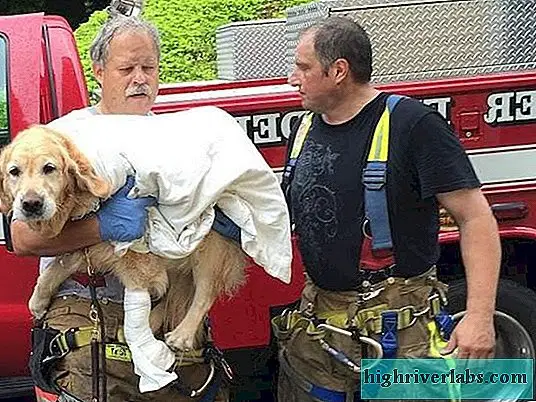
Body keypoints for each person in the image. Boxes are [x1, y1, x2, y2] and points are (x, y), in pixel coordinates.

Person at [8, 13, 234, 402]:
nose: (140, 78)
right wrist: (105, 227)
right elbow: (23, 238)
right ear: (98, 71)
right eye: (127, 68)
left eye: (149, 67)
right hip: (87, 319)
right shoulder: (64, 137)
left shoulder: (182, 140)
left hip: (168, 317)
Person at [274, 16, 500, 401]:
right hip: (320, 331)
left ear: (339, 71)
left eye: (303, 68)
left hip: (400, 335)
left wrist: (480, 316)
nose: (292, 79)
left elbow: (475, 218)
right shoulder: (305, 129)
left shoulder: (413, 125)